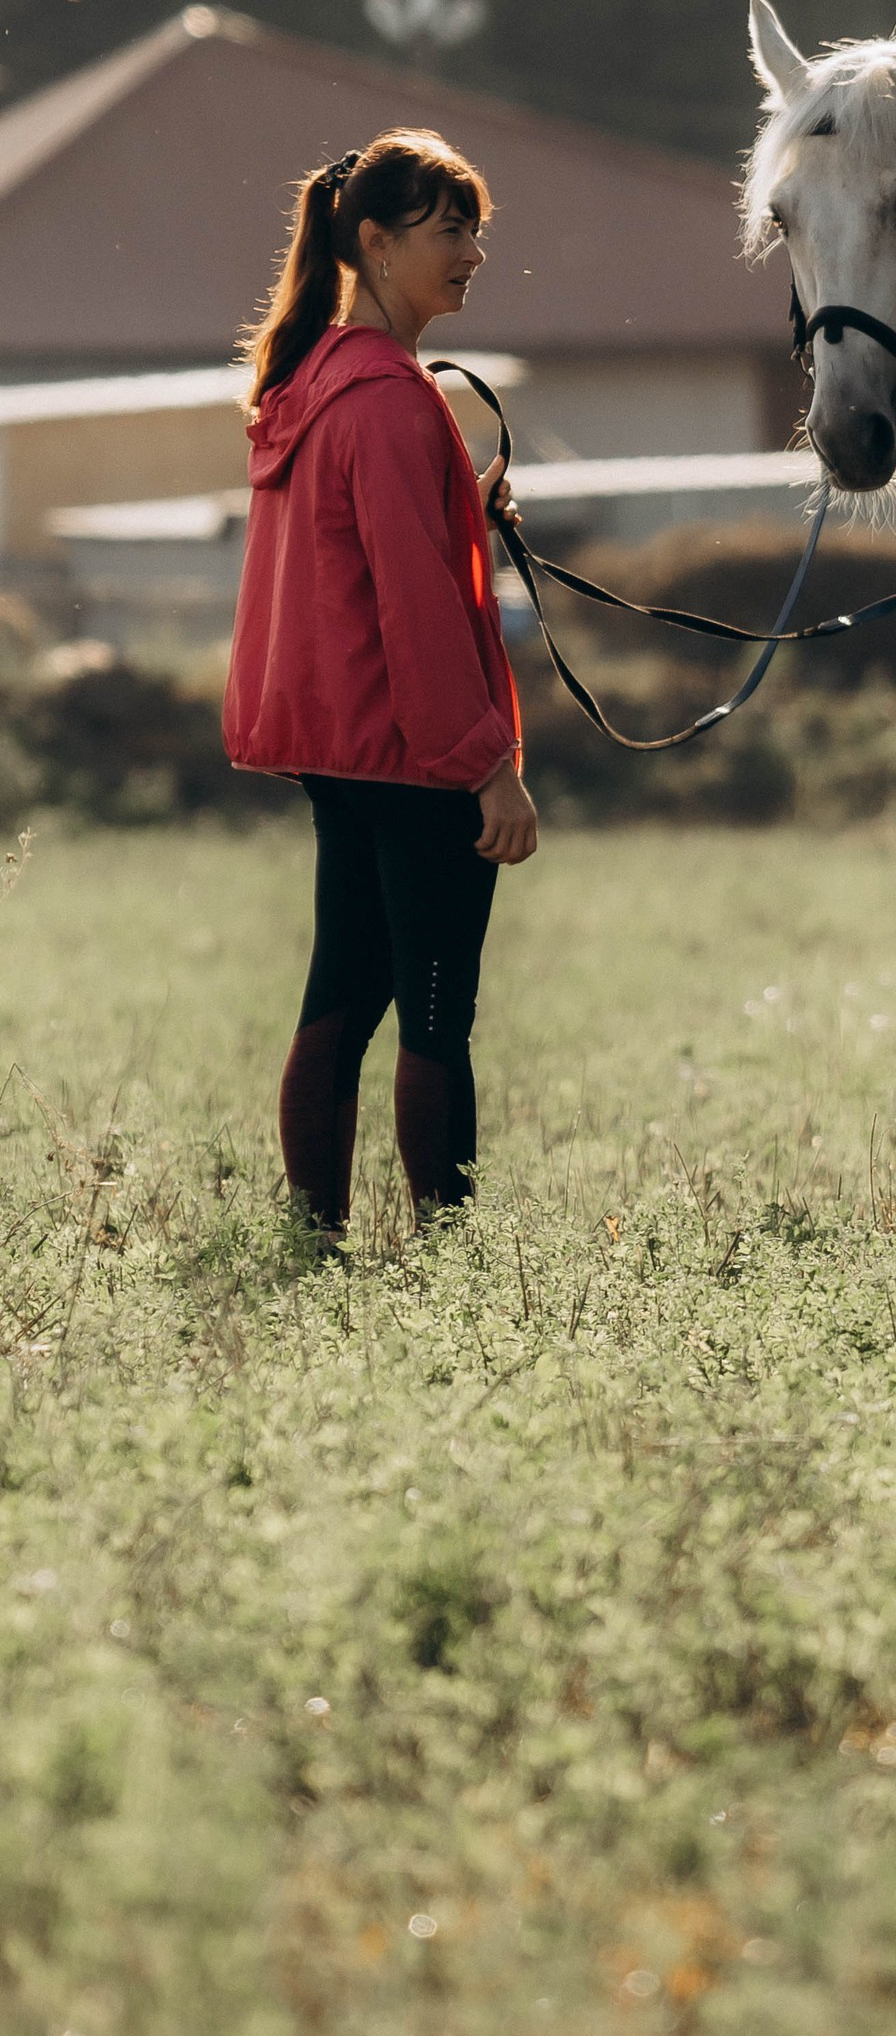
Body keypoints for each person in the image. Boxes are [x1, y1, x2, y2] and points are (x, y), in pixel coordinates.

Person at [224, 130, 540, 1239]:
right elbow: (413, 612)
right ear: (374, 240)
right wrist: (486, 768)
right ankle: (447, 1256)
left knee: (343, 997)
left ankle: (316, 1236)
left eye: (476, 229)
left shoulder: (312, 380)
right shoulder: (394, 402)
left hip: (339, 749)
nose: (472, 252)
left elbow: (360, 566)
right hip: (414, 753)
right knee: (436, 1016)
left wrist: (469, 514)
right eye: (449, 228)